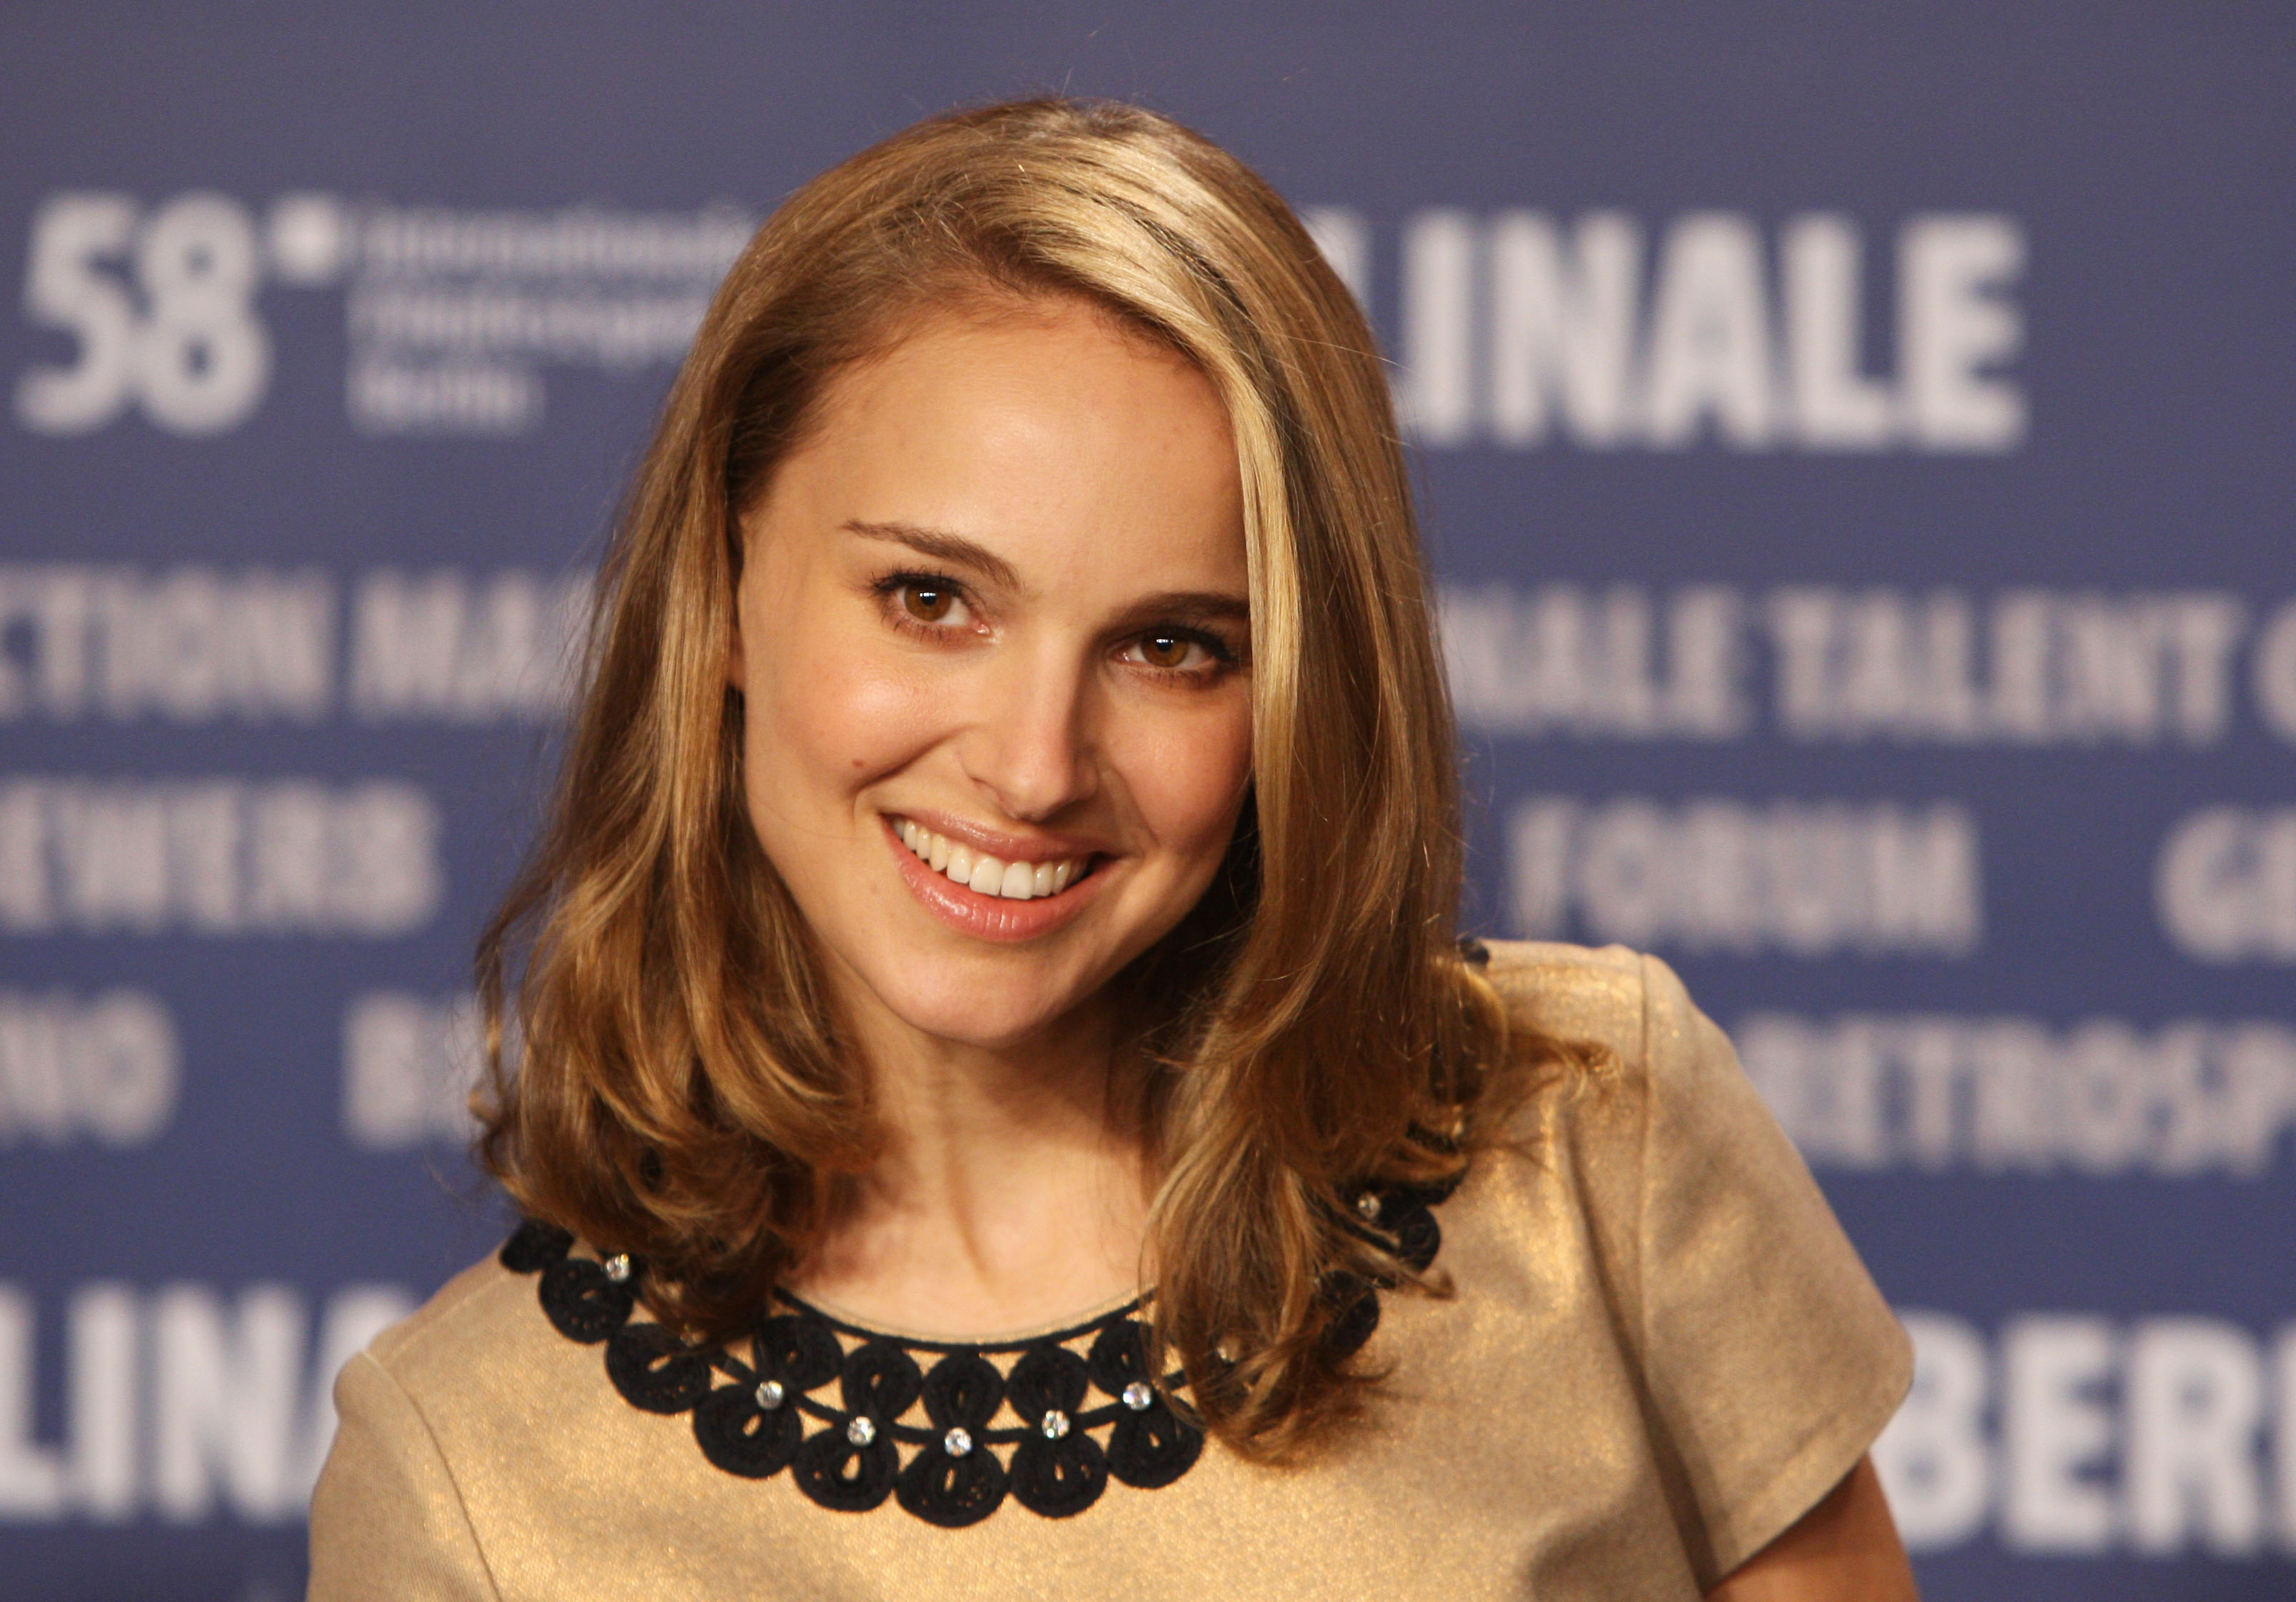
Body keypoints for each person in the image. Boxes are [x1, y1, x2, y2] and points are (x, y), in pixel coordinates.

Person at [307, 98, 1917, 1601]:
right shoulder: (472, 1475)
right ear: (722, 593)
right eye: (931, 600)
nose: (1033, 769)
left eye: (1172, 647)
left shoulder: (1594, 1152)